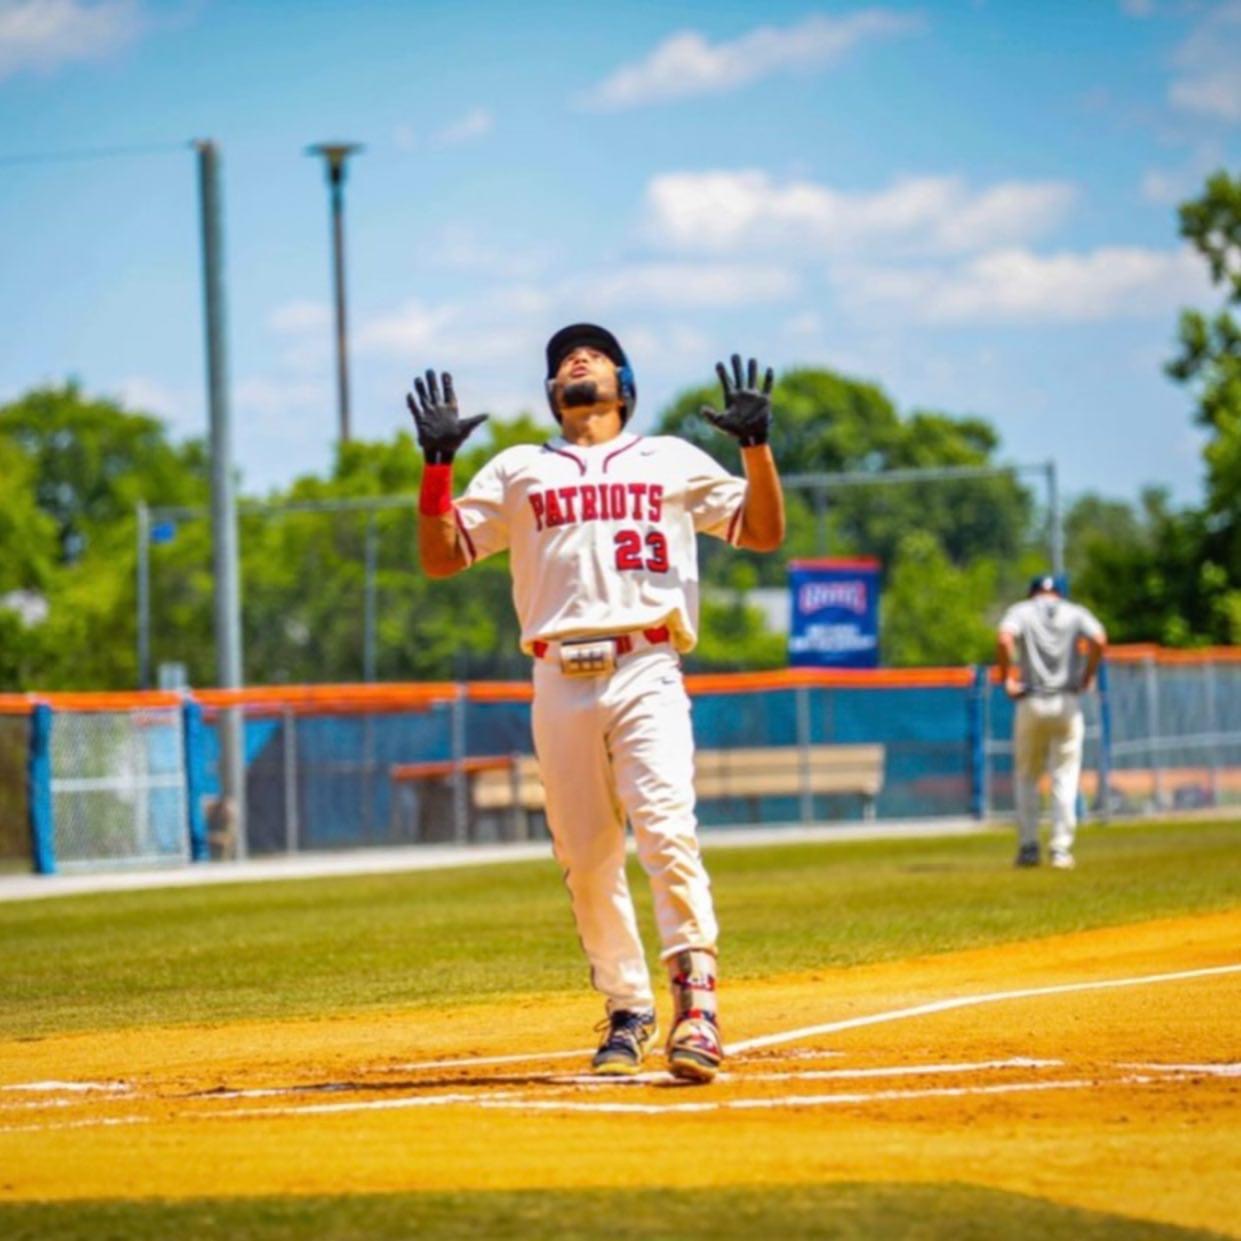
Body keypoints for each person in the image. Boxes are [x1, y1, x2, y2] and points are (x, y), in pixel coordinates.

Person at [406, 324, 785, 1081]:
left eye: (594, 353)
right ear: (551, 393)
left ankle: (697, 1007)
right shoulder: (518, 468)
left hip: (645, 662)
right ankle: (626, 1008)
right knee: (585, 858)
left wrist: (756, 448)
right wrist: (438, 466)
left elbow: (763, 530)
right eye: (562, 359)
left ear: (624, 381)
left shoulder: (668, 458)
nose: (576, 358)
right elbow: (442, 557)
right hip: (557, 674)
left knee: (666, 831)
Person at [996, 574, 1107, 870]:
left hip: (1031, 699)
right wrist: (1088, 673)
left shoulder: (1021, 611)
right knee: (1065, 776)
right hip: (1067, 700)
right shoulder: (1075, 612)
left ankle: (1029, 847)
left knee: (1027, 776)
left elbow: (1004, 638)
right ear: (1060, 592)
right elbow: (1098, 639)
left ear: (1033, 591)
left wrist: (1007, 676)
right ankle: (1060, 849)